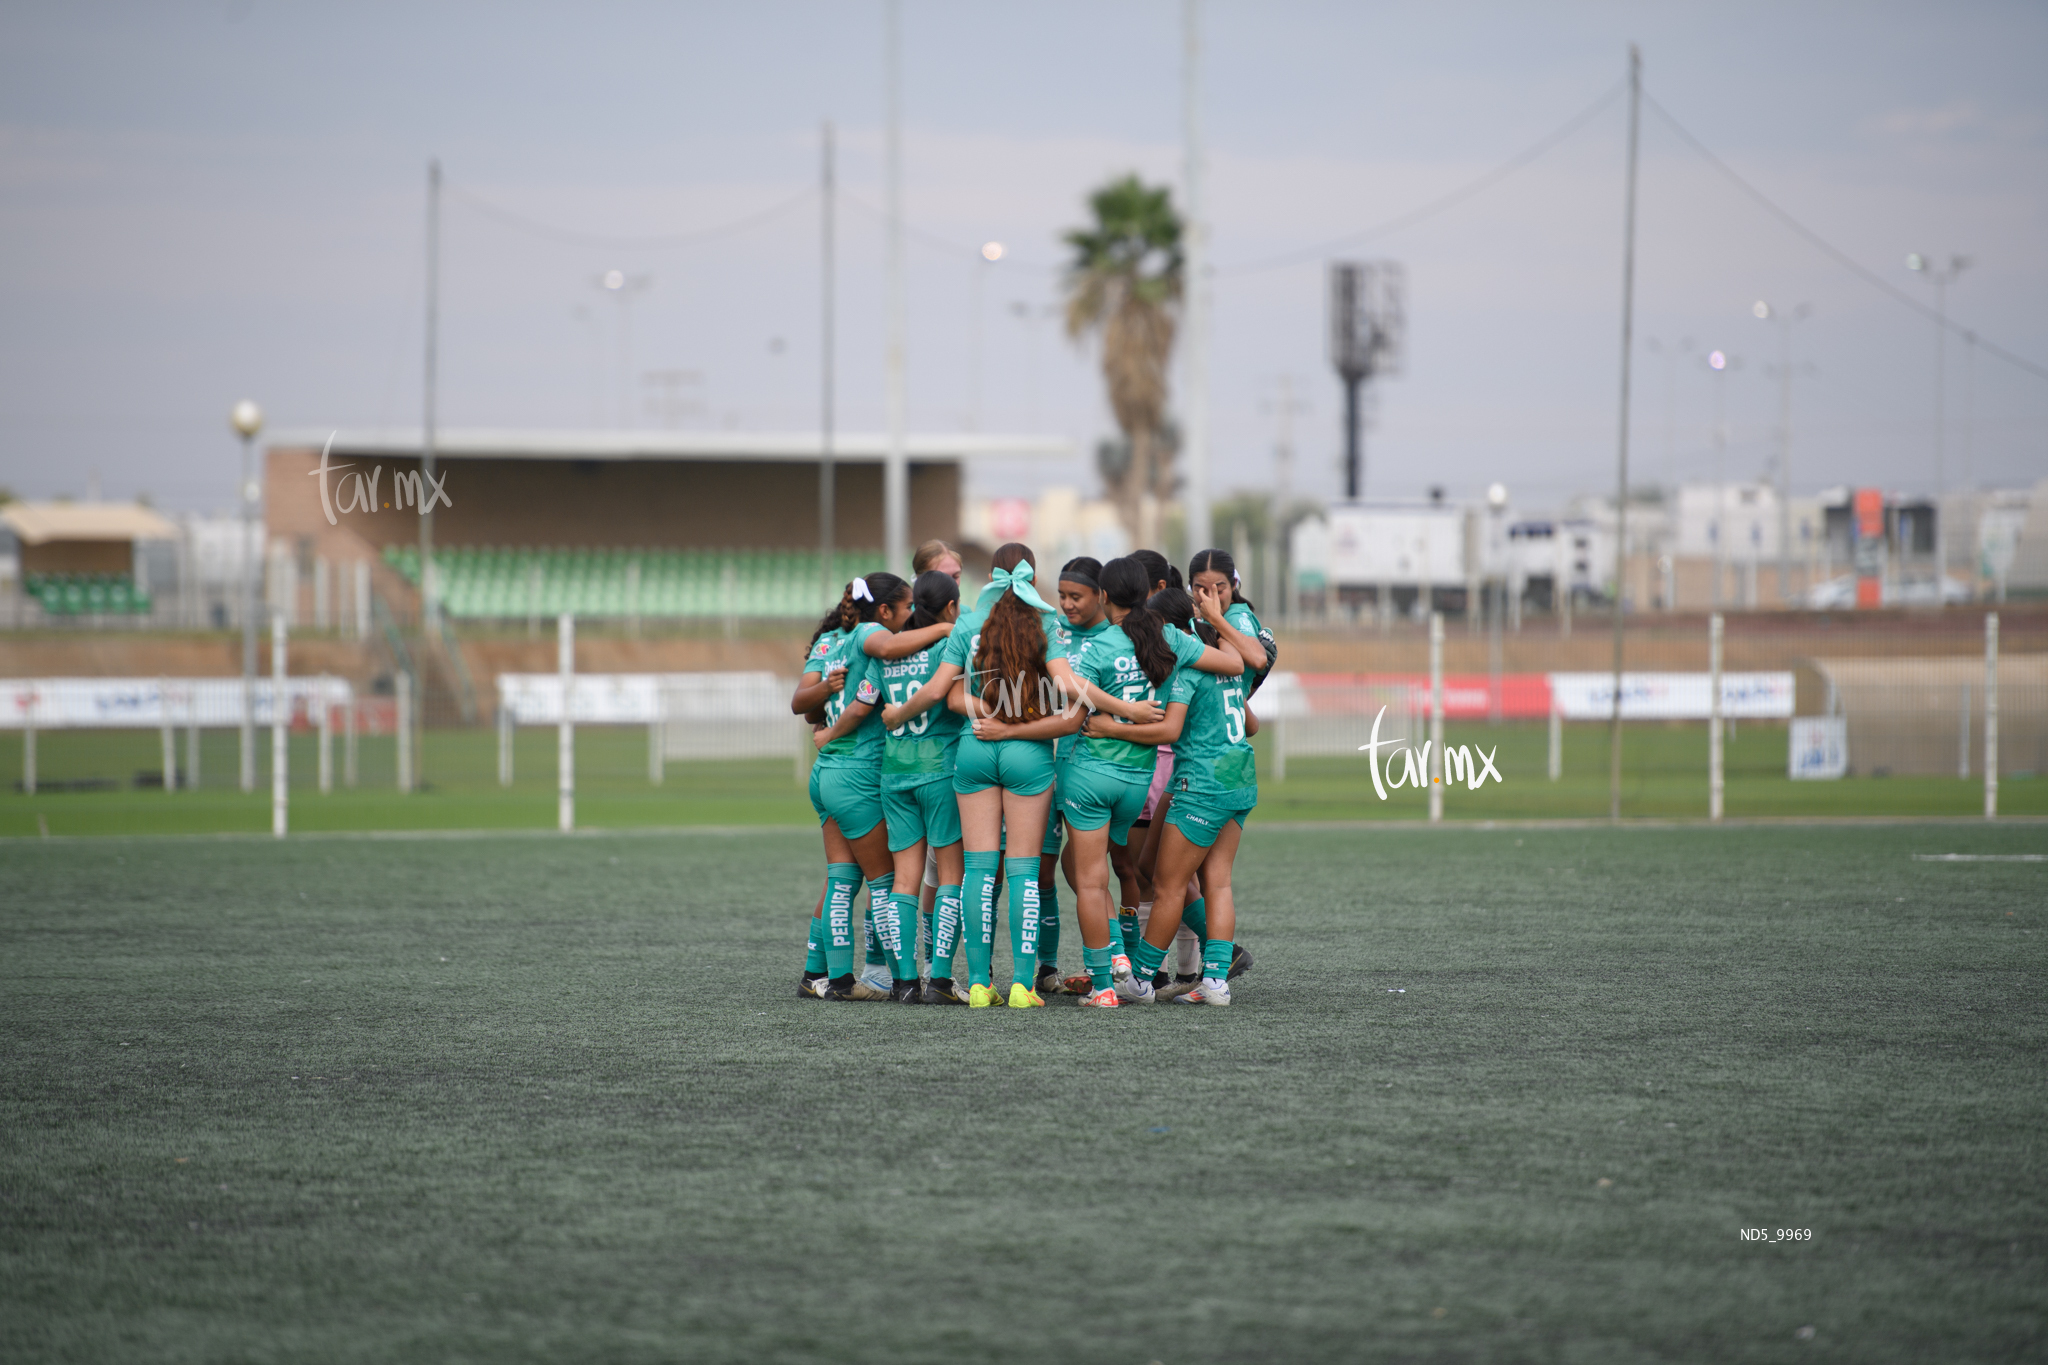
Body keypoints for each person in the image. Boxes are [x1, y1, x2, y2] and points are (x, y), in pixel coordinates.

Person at [884, 543, 1158, 1008]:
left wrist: (898, 715)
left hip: (976, 748)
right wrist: (1128, 708)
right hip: (1028, 754)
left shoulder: (968, 622)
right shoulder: (1046, 622)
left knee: (978, 871)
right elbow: (1071, 687)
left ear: (989, 576)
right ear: (1031, 578)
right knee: (1027, 874)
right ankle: (1023, 985)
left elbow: (942, 694)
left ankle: (975, 985)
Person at [1060, 557, 1244, 1008]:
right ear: (1147, 594)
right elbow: (1237, 664)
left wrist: (1112, 718)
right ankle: (1201, 971)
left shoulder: (1098, 644)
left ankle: (1112, 980)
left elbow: (1071, 701)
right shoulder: (1171, 640)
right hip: (1141, 782)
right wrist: (1217, 620)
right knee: (1140, 874)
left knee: (1094, 879)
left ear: (1104, 597)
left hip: (1094, 774)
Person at [1102, 580, 1262, 1006]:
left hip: (1202, 786)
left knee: (1169, 885)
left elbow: (1170, 730)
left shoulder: (1187, 668)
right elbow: (1251, 725)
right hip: (1240, 781)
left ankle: (1138, 979)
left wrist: (1110, 727)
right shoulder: (1230, 660)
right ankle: (1215, 982)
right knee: (1219, 883)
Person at [799, 572, 951, 1002]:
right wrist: (943, 627)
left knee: (842, 881)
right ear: (883, 611)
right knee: (886, 883)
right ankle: (902, 980)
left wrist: (826, 730)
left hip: (826, 774)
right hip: (858, 773)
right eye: (905, 610)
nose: (909, 617)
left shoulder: (833, 641)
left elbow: (809, 706)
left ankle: (830, 979)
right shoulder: (871, 635)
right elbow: (870, 685)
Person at [876, 570, 971, 1004]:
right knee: (951, 875)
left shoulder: (891, 650)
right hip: (939, 770)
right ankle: (941, 981)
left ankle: (904, 982)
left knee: (905, 880)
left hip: (894, 772)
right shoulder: (948, 646)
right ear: (951, 608)